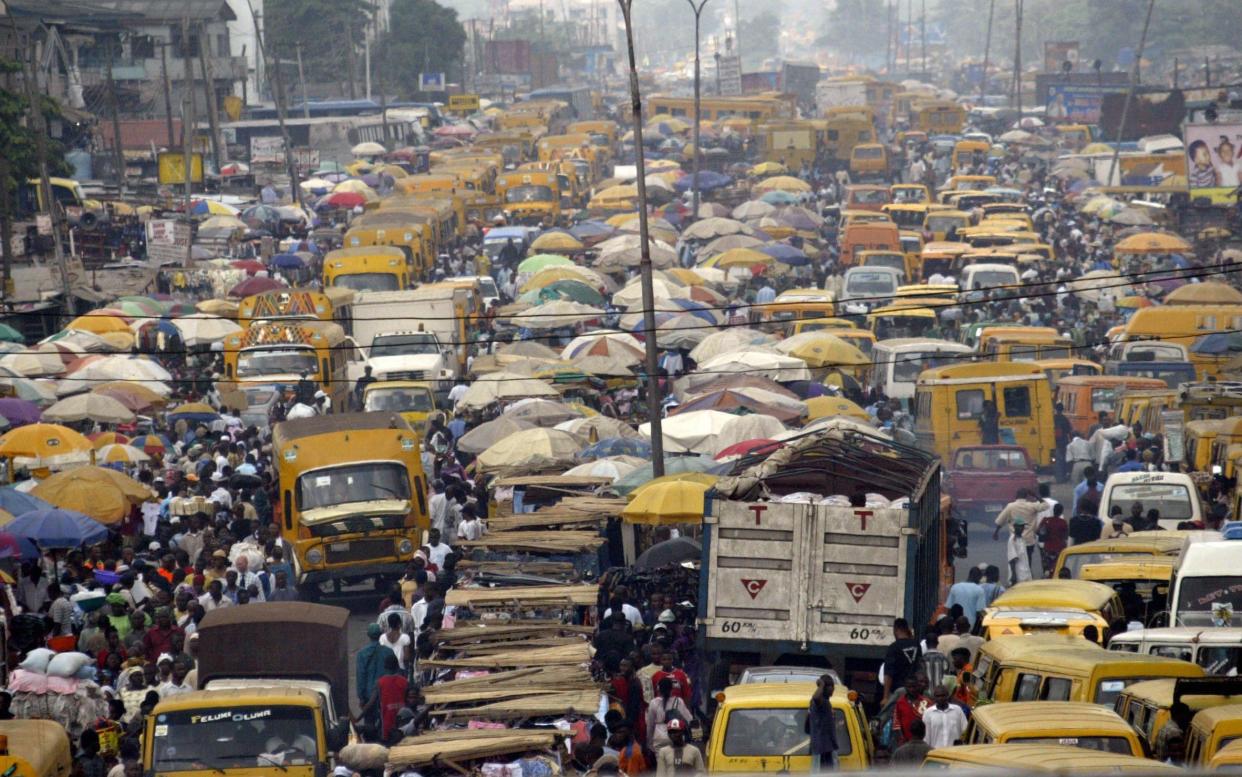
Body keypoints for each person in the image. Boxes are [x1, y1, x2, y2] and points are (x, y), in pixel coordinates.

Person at [356, 623, 396, 737]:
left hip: (369, 696)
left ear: (368, 635)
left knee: (369, 725)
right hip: (386, 693)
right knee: (387, 722)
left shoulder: (362, 654)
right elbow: (394, 672)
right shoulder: (388, 651)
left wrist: (361, 698)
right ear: (380, 635)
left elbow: (361, 676)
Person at [646, 677, 692, 753]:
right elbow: (689, 719)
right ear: (672, 689)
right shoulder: (678, 701)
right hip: (675, 737)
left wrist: (649, 743)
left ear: (659, 689)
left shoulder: (653, 702)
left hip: (659, 739)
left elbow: (650, 725)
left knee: (661, 762)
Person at [881, 618, 922, 705]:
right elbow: (920, 666)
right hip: (914, 690)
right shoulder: (917, 645)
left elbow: (888, 674)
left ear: (896, 630)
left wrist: (885, 697)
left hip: (898, 691)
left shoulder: (893, 647)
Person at [806, 673, 839, 771]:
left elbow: (807, 727)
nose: (832, 689)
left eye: (833, 686)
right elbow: (816, 697)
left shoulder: (825, 703)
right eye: (829, 686)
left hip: (826, 747)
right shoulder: (821, 702)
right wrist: (821, 685)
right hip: (823, 750)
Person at [921, 684, 968, 748]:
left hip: (955, 752)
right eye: (938, 696)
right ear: (934, 697)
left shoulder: (957, 710)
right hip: (936, 753)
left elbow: (965, 730)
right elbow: (926, 737)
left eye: (943, 695)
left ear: (947, 696)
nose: (941, 698)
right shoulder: (928, 713)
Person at [892, 674, 930, 746]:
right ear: (905, 687)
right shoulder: (900, 703)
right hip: (906, 742)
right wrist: (901, 741)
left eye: (914, 687)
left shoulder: (926, 702)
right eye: (909, 687)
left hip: (924, 741)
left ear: (918, 686)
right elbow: (896, 725)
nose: (912, 689)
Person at [1007, 517, 1033, 585]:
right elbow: (1012, 559)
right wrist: (1013, 575)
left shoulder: (1022, 539)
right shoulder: (1012, 540)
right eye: (1020, 526)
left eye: (1023, 526)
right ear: (1015, 527)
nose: (1022, 528)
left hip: (1026, 573)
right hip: (1018, 575)